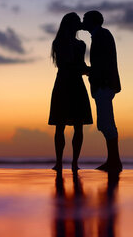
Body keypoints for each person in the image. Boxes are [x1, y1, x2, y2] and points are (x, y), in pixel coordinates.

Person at [48, 12, 92, 172]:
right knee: (61, 126)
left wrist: (88, 70)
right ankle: (60, 162)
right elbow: (67, 64)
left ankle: (73, 162)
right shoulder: (59, 43)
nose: (80, 25)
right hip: (65, 84)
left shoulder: (80, 44)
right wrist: (88, 70)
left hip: (72, 84)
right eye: (77, 22)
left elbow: (78, 65)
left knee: (76, 126)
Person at [82, 10, 123, 173]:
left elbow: (103, 63)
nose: (83, 22)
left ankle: (114, 161)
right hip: (105, 84)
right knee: (106, 123)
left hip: (104, 85)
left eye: (85, 19)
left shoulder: (101, 36)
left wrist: (89, 71)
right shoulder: (101, 35)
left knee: (106, 124)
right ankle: (113, 160)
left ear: (92, 21)